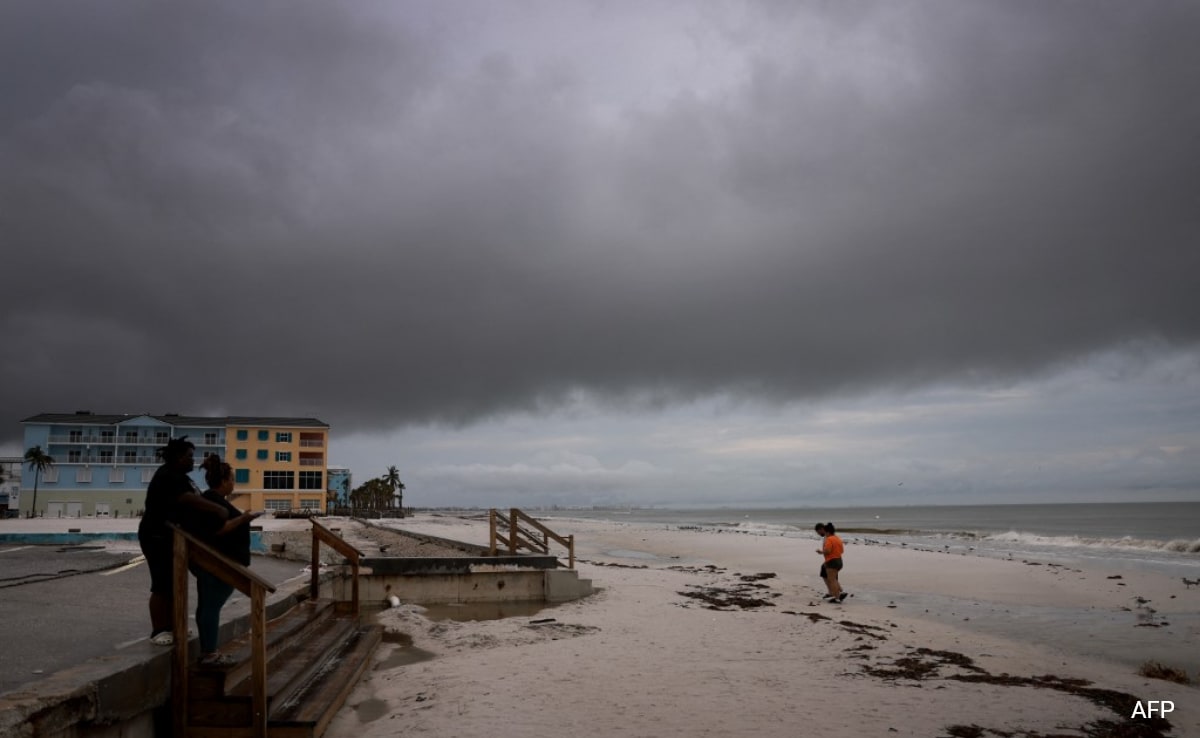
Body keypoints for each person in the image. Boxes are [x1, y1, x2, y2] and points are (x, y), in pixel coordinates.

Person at [137, 437, 229, 645]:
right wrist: (216, 508)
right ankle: (159, 630)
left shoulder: (182, 477)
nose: (192, 460)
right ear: (178, 457)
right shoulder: (168, 475)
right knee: (161, 583)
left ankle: (174, 625)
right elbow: (187, 499)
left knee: (173, 582)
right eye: (189, 456)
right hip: (156, 536)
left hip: (174, 538)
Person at [192, 454, 262, 666]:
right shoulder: (212, 502)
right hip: (217, 564)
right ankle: (210, 653)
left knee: (207, 605)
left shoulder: (212, 500)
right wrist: (244, 518)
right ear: (223, 482)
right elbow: (217, 530)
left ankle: (208, 651)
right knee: (211, 606)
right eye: (232, 479)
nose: (233, 483)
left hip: (216, 562)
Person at [815, 522, 847, 603]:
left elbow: (828, 550)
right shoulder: (837, 538)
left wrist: (821, 552)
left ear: (827, 531)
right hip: (839, 560)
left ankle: (837, 598)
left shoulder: (829, 539)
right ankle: (839, 594)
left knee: (832, 580)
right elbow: (842, 551)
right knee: (833, 579)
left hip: (831, 561)